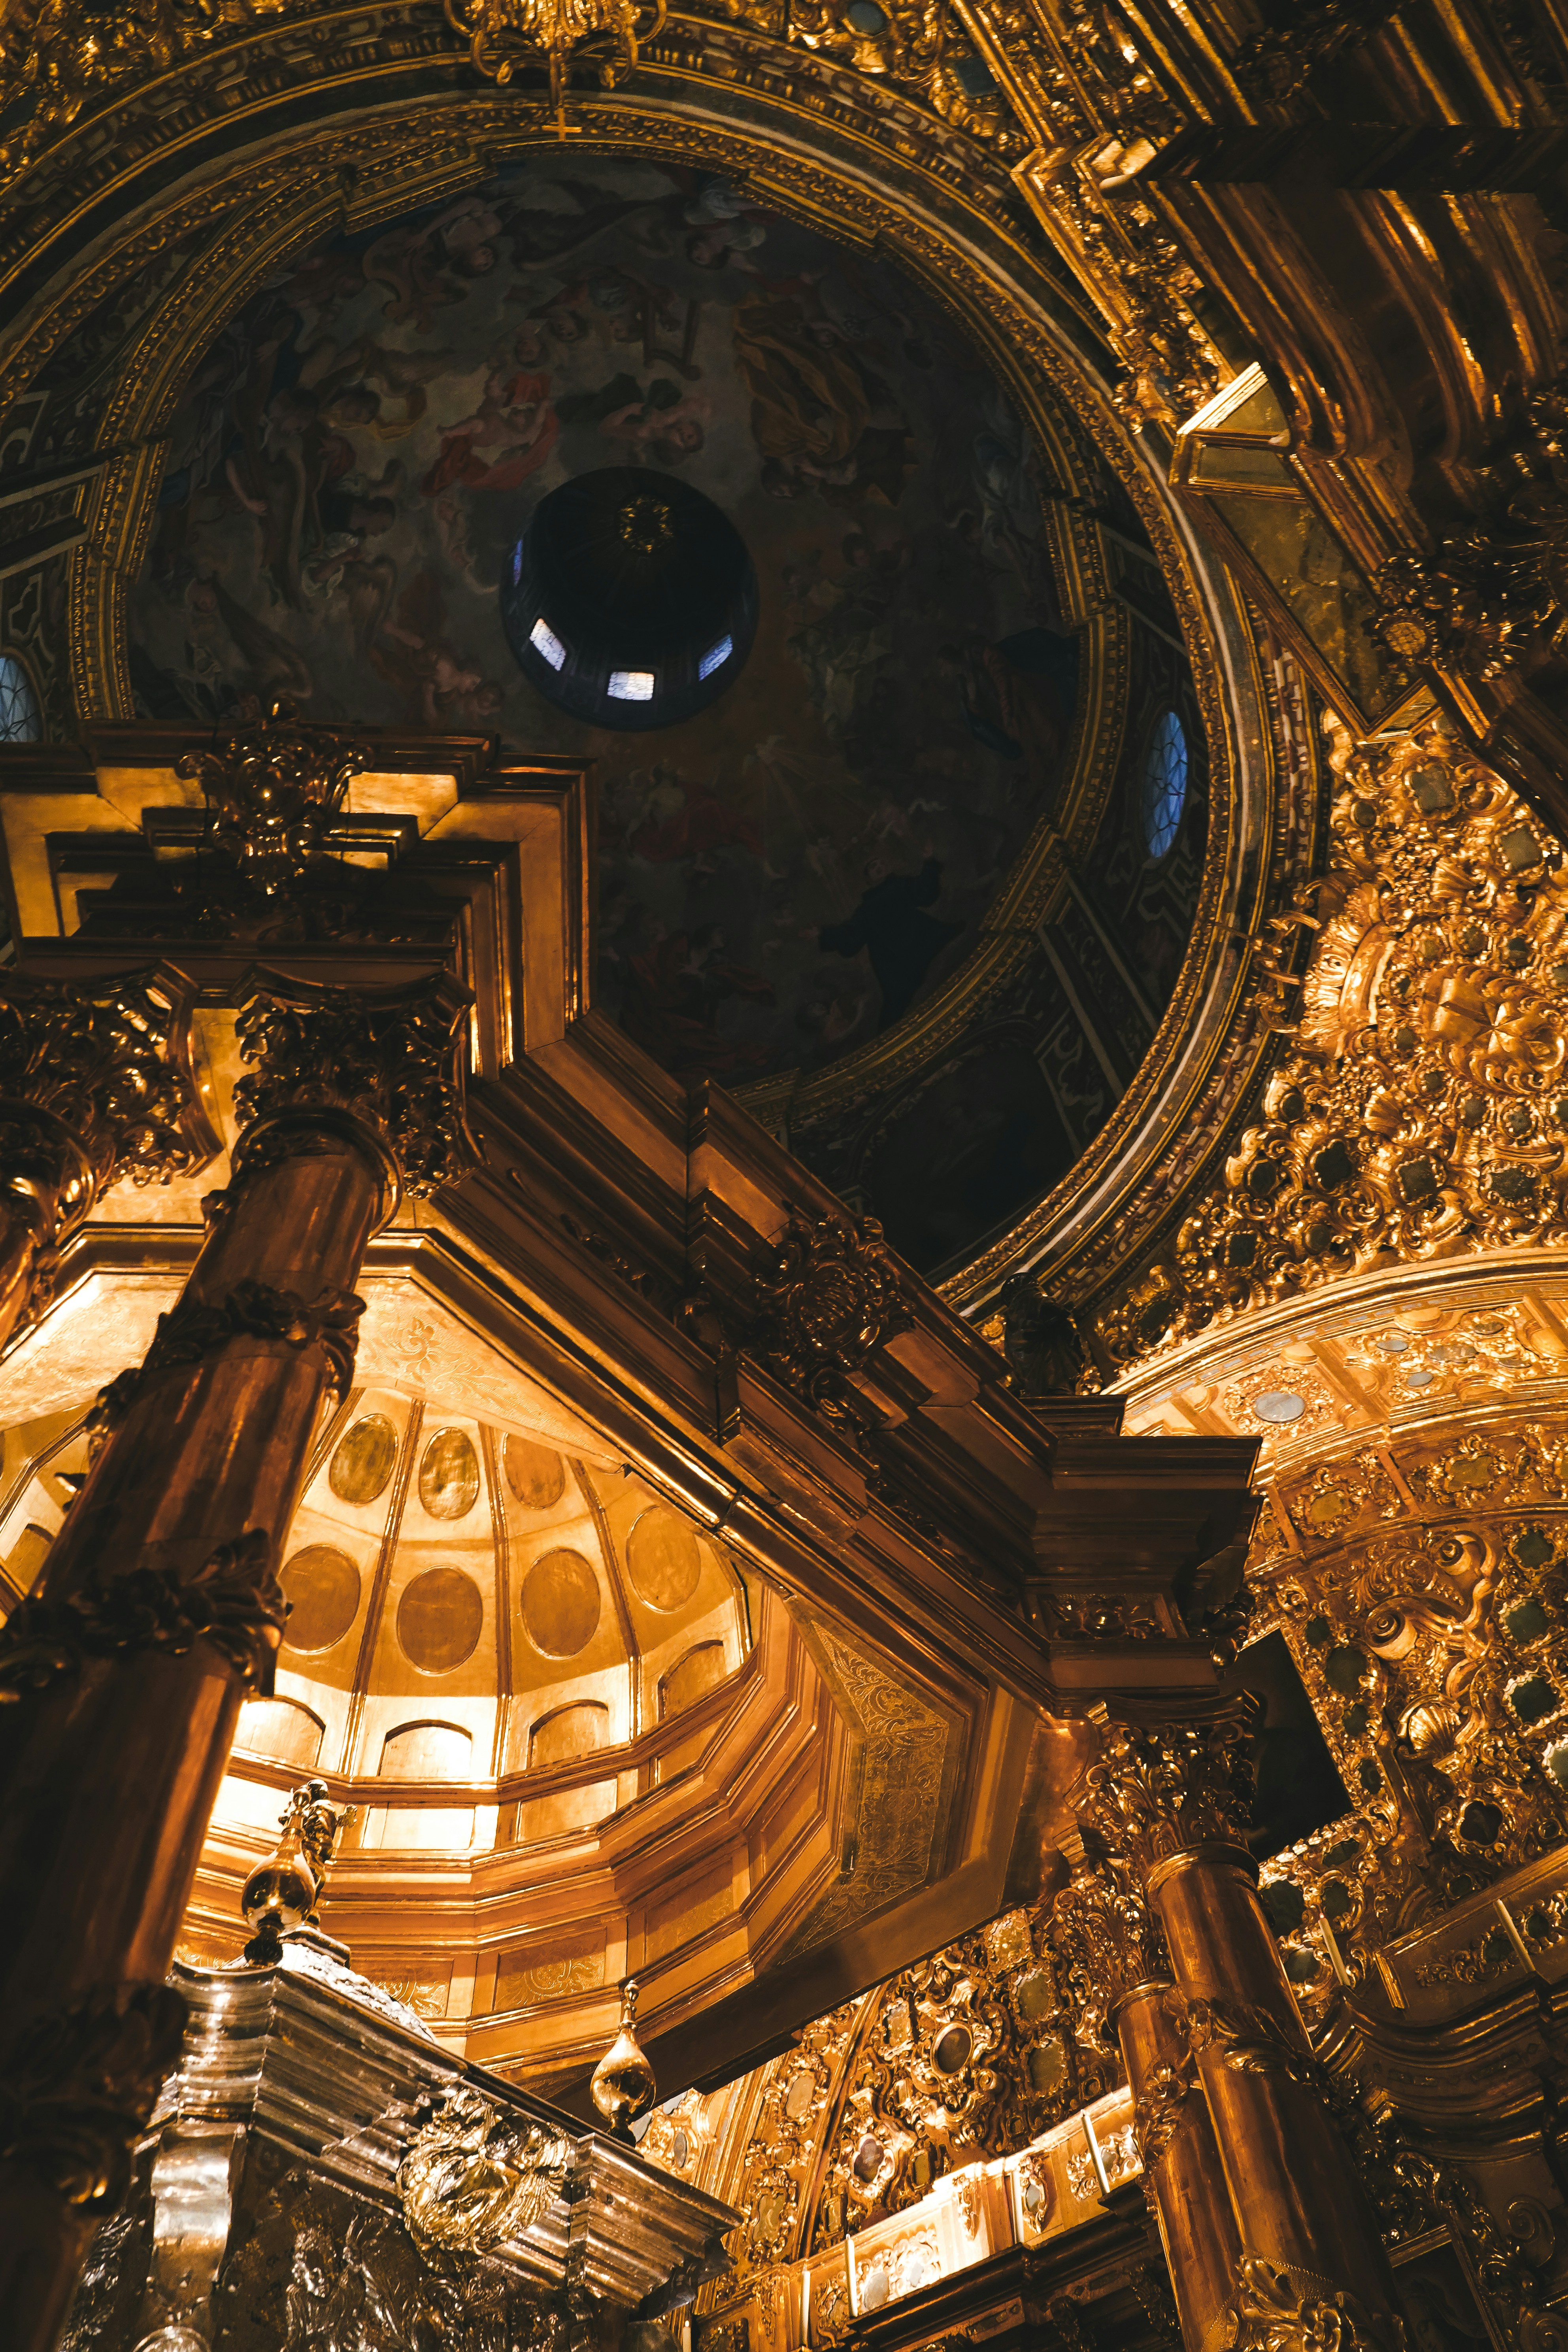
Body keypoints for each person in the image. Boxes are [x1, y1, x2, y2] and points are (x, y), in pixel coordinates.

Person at [818, 853, 964, 1029]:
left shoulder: (900, 885)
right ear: (867, 878)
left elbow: (924, 893)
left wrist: (929, 862)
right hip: (894, 958)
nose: (878, 867)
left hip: (921, 938)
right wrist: (823, 934)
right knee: (896, 1005)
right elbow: (851, 939)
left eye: (880, 863)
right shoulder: (866, 909)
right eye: (873, 866)